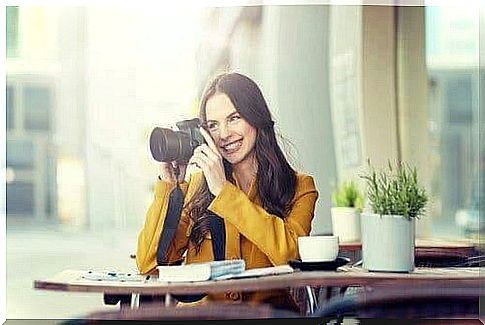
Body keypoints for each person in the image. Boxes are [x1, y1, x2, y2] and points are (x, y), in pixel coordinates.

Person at [136, 72, 319, 312]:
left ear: (257, 117)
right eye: (213, 125)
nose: (223, 134)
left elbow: (291, 255)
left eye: (234, 118)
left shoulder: (300, 187)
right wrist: (170, 186)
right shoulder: (195, 188)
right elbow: (149, 263)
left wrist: (224, 191)